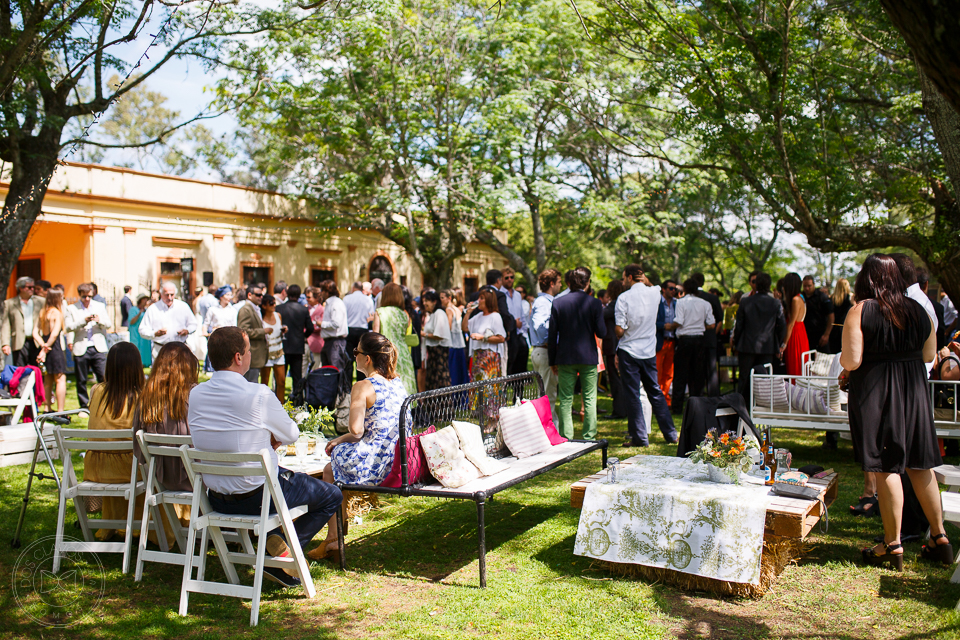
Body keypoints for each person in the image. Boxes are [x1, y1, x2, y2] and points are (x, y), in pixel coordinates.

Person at [189, 327, 343, 585]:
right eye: (249, 350)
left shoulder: (196, 394)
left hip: (216, 498)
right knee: (332, 495)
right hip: (259, 497)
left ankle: (277, 549)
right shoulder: (257, 394)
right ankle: (283, 552)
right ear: (239, 357)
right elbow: (292, 433)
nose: (251, 355)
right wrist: (271, 434)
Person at [840, 253, 950, 571]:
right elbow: (929, 353)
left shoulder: (861, 310)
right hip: (914, 392)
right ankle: (939, 537)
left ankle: (892, 545)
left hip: (877, 393)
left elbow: (851, 361)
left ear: (867, 279)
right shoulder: (918, 310)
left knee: (887, 466)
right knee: (920, 465)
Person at [312, 332, 410, 561]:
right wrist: (342, 439)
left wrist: (338, 441)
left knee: (331, 464)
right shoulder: (397, 383)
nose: (353, 356)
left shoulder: (363, 386)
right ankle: (333, 539)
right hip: (398, 459)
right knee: (331, 467)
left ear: (367, 359)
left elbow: (356, 431)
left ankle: (333, 539)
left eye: (356, 352)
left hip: (376, 465)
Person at [132, 342, 197, 541]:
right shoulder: (195, 395)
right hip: (195, 478)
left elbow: (138, 450)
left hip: (159, 478)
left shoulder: (146, 398)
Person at [84, 342, 144, 539]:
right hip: (130, 471)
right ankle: (145, 526)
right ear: (137, 367)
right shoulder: (142, 396)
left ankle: (113, 524)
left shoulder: (96, 391)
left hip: (97, 470)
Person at [614, 265, 678, 446]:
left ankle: (640, 437)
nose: (623, 281)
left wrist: (619, 329)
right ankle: (671, 434)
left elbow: (619, 330)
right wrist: (643, 277)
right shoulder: (655, 292)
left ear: (629, 277)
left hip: (629, 350)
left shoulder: (624, 297)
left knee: (633, 394)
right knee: (655, 392)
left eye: (624, 277)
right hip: (649, 351)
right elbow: (652, 284)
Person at [548, 267, 606, 440]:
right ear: (587, 283)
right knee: (589, 397)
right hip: (588, 355)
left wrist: (552, 360)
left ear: (568, 283)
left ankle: (566, 436)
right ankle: (589, 435)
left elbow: (552, 335)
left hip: (565, 356)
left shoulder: (558, 303)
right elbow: (602, 332)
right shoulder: (594, 303)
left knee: (565, 398)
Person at [732, 273, 786, 406]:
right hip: (767, 347)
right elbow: (782, 325)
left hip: (746, 346)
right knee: (764, 380)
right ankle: (762, 407)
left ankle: (742, 408)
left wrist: (736, 341)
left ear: (756, 285)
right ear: (769, 286)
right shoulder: (775, 303)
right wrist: (778, 343)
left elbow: (739, 325)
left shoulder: (745, 301)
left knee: (744, 379)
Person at [666, 277, 715, 416]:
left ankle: (677, 407)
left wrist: (670, 326)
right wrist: (699, 325)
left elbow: (679, 321)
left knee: (680, 375)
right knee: (697, 375)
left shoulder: (681, 303)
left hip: (684, 340)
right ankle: (697, 406)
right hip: (699, 340)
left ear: (685, 289)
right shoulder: (705, 303)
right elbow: (711, 324)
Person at [66, 283, 113, 409]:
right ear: (79, 295)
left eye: (89, 296)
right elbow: (68, 327)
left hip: (98, 347)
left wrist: (99, 320)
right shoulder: (72, 308)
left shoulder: (100, 306)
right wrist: (83, 321)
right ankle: (84, 406)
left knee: (103, 377)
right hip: (81, 347)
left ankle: (106, 403)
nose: (87, 299)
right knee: (81, 379)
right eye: (84, 296)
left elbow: (108, 324)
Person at [528, 269, 562, 423]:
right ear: (552, 283)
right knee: (548, 397)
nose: (561, 286)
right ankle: (549, 432)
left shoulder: (546, 301)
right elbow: (541, 327)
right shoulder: (543, 302)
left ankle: (550, 431)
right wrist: (551, 345)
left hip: (542, 351)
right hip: (544, 351)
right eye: (559, 282)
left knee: (547, 395)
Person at [373, 283, 417, 395]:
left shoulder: (380, 312)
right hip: (403, 352)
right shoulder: (404, 314)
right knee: (404, 382)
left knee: (387, 383)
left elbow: (375, 336)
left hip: (386, 352)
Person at [138, 282, 197, 360]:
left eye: (172, 294)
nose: (169, 297)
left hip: (179, 349)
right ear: (161, 294)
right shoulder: (153, 309)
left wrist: (187, 330)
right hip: (160, 350)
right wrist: (154, 333)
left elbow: (193, 324)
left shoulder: (183, 306)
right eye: (167, 295)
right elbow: (142, 329)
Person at [33, 288, 68, 412]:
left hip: (46, 348)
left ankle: (47, 408)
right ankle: (60, 411)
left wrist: (43, 346)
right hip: (55, 348)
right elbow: (54, 334)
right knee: (60, 379)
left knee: (47, 379)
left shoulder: (43, 312)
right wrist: (46, 348)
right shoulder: (56, 313)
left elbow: (35, 333)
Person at [277, 284, 313, 392]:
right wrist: (303, 336)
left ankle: (279, 399)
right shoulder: (303, 310)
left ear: (287, 294)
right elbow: (310, 327)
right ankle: (297, 402)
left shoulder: (279, 308)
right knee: (297, 377)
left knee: (280, 377)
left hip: (283, 345)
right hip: (297, 345)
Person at [2, 276, 45, 367]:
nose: (32, 289)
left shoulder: (41, 302)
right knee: (20, 371)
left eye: (33, 287)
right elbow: (6, 324)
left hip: (36, 341)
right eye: (29, 287)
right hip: (19, 341)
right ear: (20, 288)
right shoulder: (10, 303)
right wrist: (5, 344)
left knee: (37, 370)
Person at [692, 273, 722, 396]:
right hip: (710, 337)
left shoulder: (688, 299)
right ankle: (714, 396)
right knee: (711, 370)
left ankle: (696, 396)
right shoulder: (712, 298)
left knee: (696, 369)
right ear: (703, 283)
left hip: (694, 338)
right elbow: (720, 318)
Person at [319, 280, 350, 397]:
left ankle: (340, 397)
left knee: (336, 370)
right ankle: (331, 396)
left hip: (335, 341)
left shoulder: (335, 303)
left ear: (327, 291)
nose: (320, 293)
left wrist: (321, 324)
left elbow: (336, 323)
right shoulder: (330, 303)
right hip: (330, 341)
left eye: (322, 290)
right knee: (328, 370)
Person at [601, 279, 626, 421]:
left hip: (613, 345)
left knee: (615, 379)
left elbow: (601, 315)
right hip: (615, 344)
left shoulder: (614, 304)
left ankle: (620, 409)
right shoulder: (619, 303)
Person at [343, 282, 375, 383]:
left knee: (348, 359)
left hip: (350, 330)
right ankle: (361, 382)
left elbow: (344, 315)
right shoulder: (368, 299)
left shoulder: (347, 299)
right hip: (363, 330)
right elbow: (371, 316)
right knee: (362, 358)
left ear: (353, 288)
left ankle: (348, 385)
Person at [778, 273, 808, 377]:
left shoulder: (795, 300)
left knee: (795, 368)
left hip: (795, 335)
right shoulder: (801, 297)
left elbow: (791, 324)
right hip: (801, 332)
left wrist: (783, 345)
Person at [420, 290, 452, 390]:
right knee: (433, 381)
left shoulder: (439, 313)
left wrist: (424, 334)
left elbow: (440, 335)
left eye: (427, 301)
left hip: (439, 352)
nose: (425, 303)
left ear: (434, 302)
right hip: (433, 354)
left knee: (440, 380)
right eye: (424, 301)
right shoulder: (433, 314)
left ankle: (442, 405)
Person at [259, 294, 287, 403]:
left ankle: (280, 405)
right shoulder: (261, 318)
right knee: (265, 382)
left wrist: (284, 329)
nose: (274, 305)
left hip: (279, 351)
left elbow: (278, 329)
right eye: (271, 303)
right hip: (267, 354)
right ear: (264, 306)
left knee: (282, 381)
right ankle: (263, 405)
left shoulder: (278, 315)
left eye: (275, 303)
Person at [501, 268, 528, 374]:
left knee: (521, 365)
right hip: (508, 335)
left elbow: (522, 315)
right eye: (506, 277)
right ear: (502, 279)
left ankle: (519, 390)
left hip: (519, 333)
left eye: (512, 277)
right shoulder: (500, 294)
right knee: (509, 365)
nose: (509, 280)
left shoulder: (517, 295)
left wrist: (524, 333)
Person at [656, 279, 678, 409]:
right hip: (661, 340)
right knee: (658, 371)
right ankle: (658, 400)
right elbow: (652, 321)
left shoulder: (677, 303)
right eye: (671, 288)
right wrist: (664, 326)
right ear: (663, 289)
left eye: (675, 289)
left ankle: (666, 398)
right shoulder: (657, 303)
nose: (673, 291)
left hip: (672, 341)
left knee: (669, 373)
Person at [441, 289, 469, 387]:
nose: (441, 300)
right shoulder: (457, 309)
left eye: (442, 298)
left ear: (449, 298)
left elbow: (448, 327)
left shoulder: (449, 310)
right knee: (461, 372)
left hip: (453, 344)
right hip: (460, 343)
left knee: (454, 373)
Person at [802, 276, 834, 352]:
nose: (807, 288)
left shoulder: (822, 297)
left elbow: (831, 316)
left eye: (809, 286)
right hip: (806, 335)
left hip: (821, 335)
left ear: (813, 285)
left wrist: (826, 334)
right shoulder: (801, 296)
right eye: (805, 286)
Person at [828, 278, 853, 354]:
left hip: (833, 328)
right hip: (845, 328)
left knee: (834, 353)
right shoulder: (851, 297)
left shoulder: (831, 298)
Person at [129, 294, 153, 367]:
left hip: (144, 335)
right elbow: (131, 321)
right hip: (135, 334)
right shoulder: (133, 309)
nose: (146, 301)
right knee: (136, 350)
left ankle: (145, 364)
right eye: (144, 299)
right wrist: (139, 313)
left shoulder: (147, 310)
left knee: (144, 350)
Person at [305, 286, 326, 369]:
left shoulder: (322, 310)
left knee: (315, 367)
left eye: (309, 297)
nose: (307, 299)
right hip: (304, 343)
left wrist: (310, 326)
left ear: (316, 298)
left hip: (316, 343)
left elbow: (320, 326)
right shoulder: (305, 309)